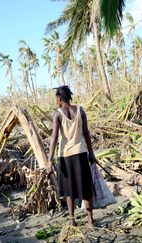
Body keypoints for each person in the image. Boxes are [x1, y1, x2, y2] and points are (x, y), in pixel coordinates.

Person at [47, 85, 97, 227]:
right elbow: (86, 133)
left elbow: (54, 136)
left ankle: (71, 219)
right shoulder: (80, 110)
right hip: (81, 153)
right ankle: (90, 220)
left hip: (65, 155)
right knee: (86, 187)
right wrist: (91, 154)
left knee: (69, 189)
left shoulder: (57, 113)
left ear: (59, 98)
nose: (56, 100)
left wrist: (49, 160)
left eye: (56, 98)